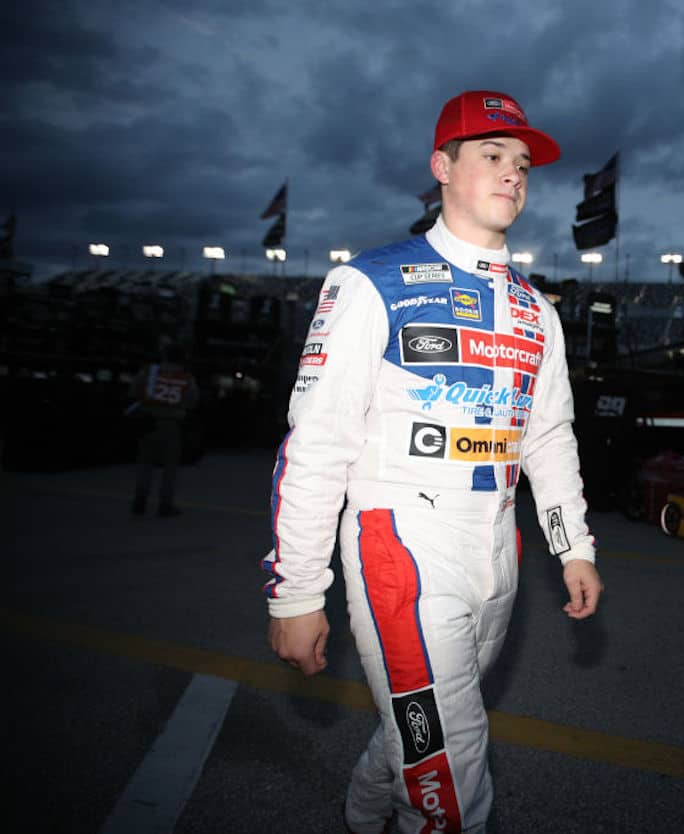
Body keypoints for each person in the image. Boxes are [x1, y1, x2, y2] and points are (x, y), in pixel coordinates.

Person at [262, 89, 604, 834]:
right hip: (402, 546)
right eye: (492, 155)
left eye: (521, 163)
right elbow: (317, 445)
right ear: (441, 167)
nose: (513, 174)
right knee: (455, 764)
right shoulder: (370, 283)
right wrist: (295, 593)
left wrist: (573, 545)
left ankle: (362, 810)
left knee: (429, 728)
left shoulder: (537, 311)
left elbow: (547, 438)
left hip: (498, 548)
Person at [129, 343, 199, 516]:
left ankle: (140, 500)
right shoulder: (185, 378)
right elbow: (192, 401)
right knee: (170, 467)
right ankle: (165, 504)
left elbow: (134, 391)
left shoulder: (149, 373)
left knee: (145, 463)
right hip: (172, 424)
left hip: (149, 421)